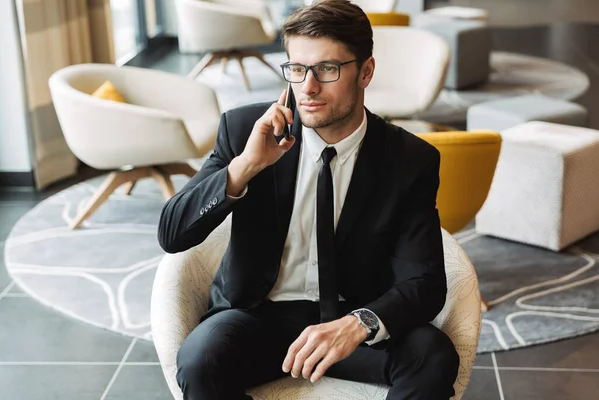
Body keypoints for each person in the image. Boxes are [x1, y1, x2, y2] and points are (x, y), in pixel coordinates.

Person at [157, 1, 459, 399]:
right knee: (200, 359)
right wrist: (245, 166)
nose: (309, 88)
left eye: (327, 69)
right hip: (255, 318)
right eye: (297, 69)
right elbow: (172, 233)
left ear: (365, 72)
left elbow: (425, 282)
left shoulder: (409, 159)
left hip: (351, 323)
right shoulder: (246, 130)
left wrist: (359, 323)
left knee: (432, 356)